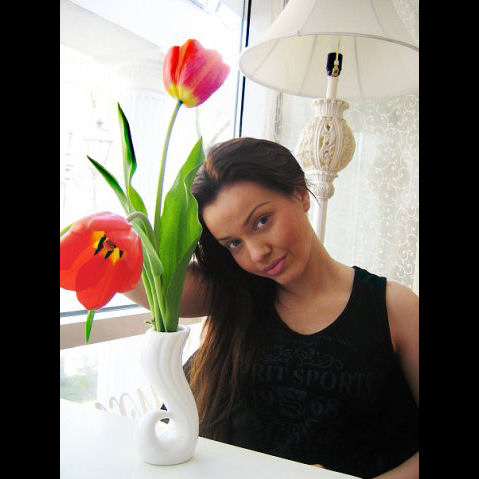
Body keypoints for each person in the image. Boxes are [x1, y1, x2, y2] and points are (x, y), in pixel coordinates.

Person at [126, 137, 419, 479]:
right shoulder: (236, 293)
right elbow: (132, 273)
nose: (256, 253)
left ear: (300, 193)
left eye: (262, 221)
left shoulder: (393, 308)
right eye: (234, 243)